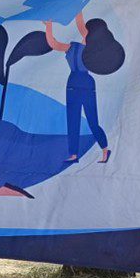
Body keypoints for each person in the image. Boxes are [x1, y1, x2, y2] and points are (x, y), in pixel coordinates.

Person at [43, 12, 123, 164]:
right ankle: (73, 154)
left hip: (86, 84)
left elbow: (82, 28)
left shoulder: (94, 50)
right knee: (72, 120)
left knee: (93, 120)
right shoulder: (72, 47)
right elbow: (53, 43)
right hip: (73, 84)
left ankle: (105, 149)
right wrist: (49, 26)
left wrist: (77, 10)